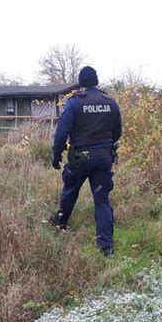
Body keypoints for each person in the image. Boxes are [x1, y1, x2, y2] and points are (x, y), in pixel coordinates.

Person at [50, 66, 122, 257]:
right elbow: (118, 133)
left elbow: (61, 134)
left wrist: (56, 156)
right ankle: (106, 248)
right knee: (102, 200)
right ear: (96, 81)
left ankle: (61, 223)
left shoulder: (74, 103)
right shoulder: (111, 102)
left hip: (81, 160)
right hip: (104, 159)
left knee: (70, 190)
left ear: (81, 83)